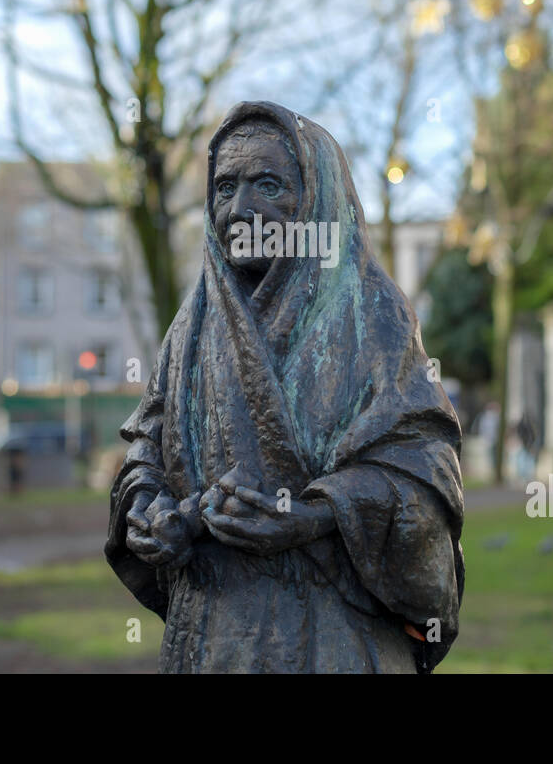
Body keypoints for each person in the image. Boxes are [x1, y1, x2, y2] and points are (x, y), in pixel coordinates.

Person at [105, 101, 465, 674]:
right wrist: (147, 510)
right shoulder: (191, 326)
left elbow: (423, 470)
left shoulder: (374, 316)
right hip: (211, 636)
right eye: (225, 188)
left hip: (331, 633)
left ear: (317, 197)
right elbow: (145, 453)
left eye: (267, 185)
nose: (241, 210)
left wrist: (319, 516)